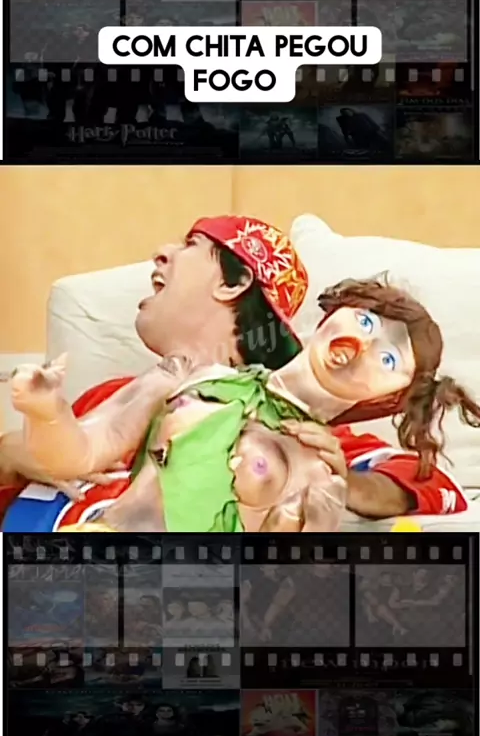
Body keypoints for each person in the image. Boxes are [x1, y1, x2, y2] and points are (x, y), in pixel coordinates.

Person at [0, 217, 470, 528]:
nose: (161, 253)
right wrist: (25, 444)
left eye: (190, 245)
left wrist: (349, 484)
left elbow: (434, 485)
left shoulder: (319, 443)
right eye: (365, 323)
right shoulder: (127, 389)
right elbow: (71, 447)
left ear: (236, 282)